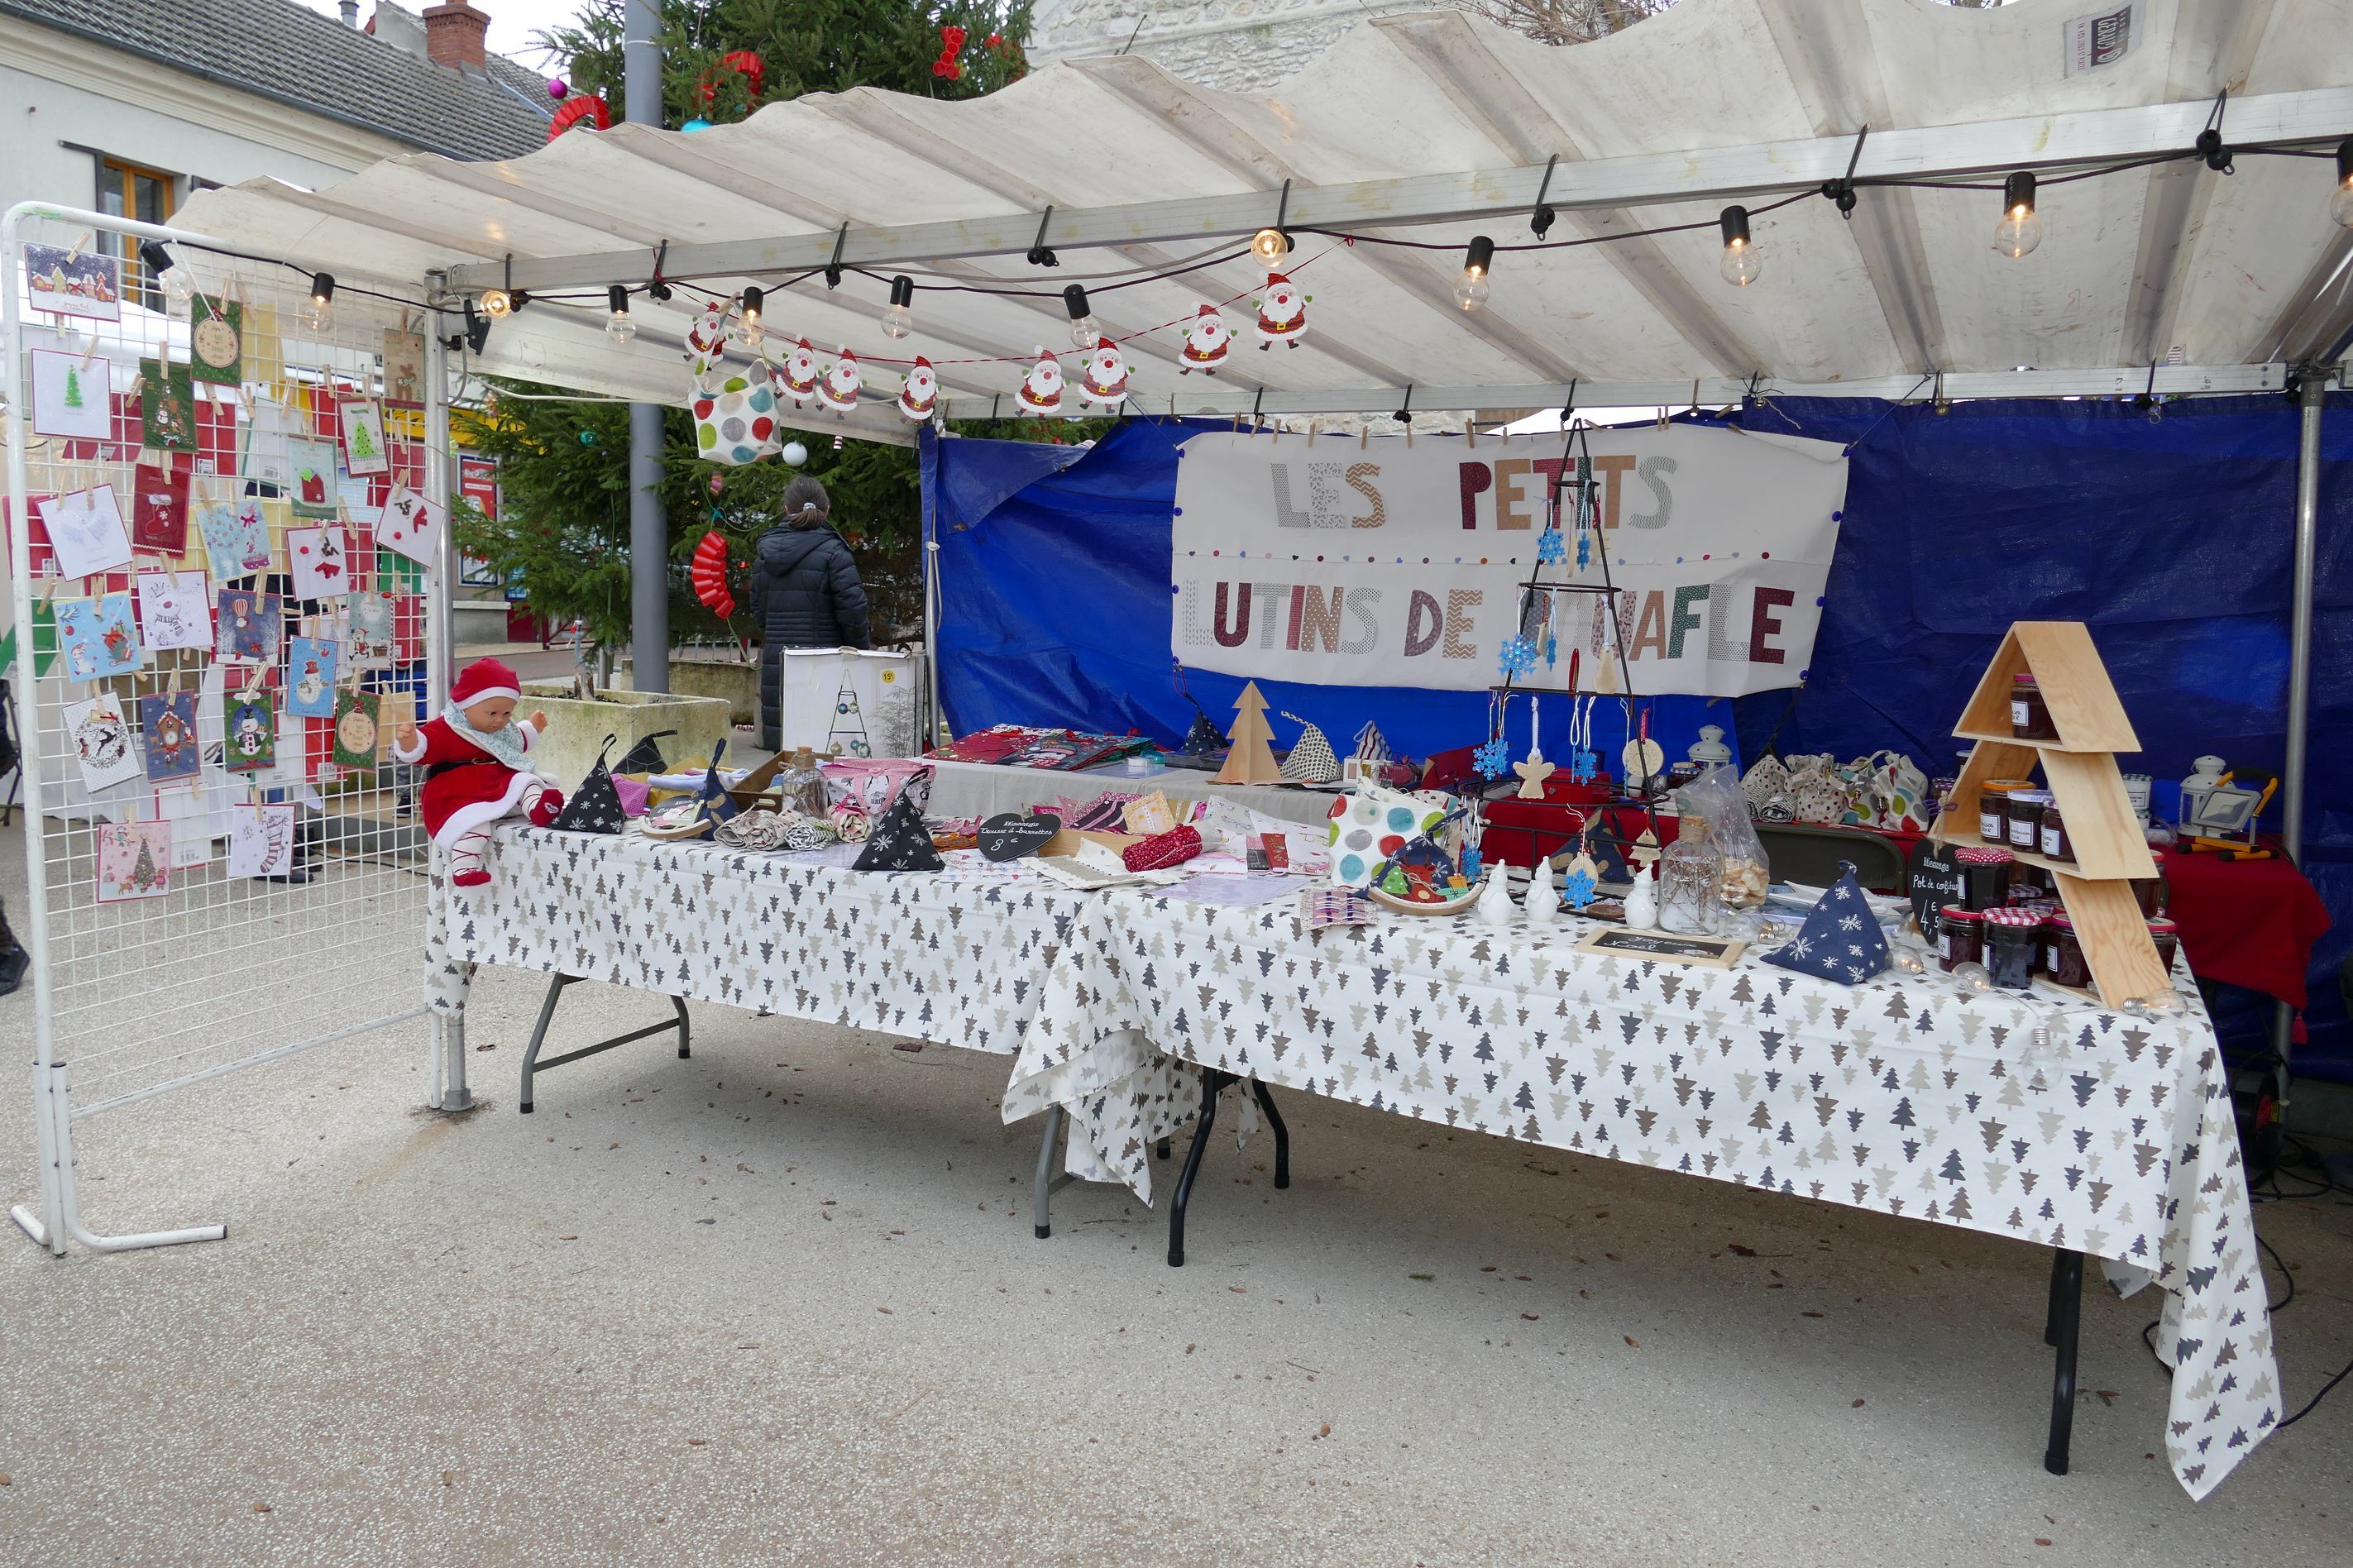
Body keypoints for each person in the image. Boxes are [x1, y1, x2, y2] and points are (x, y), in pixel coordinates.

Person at [392, 657, 564, 888]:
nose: (499, 721)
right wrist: (411, 742)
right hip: (459, 792)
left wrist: (531, 728)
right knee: (472, 824)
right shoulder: (450, 727)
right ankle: (463, 868)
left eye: (507, 713)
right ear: (466, 704)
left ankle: (539, 809)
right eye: (492, 713)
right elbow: (428, 746)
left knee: (525, 780)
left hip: (496, 783)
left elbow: (514, 743)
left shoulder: (502, 729)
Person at [749, 476, 870, 750]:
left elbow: (759, 614)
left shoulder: (764, 555)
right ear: (826, 509)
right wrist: (859, 652)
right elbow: (853, 610)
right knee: (827, 749)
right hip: (825, 665)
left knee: (784, 755)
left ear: (785, 508)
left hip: (778, 665)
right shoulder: (835, 552)